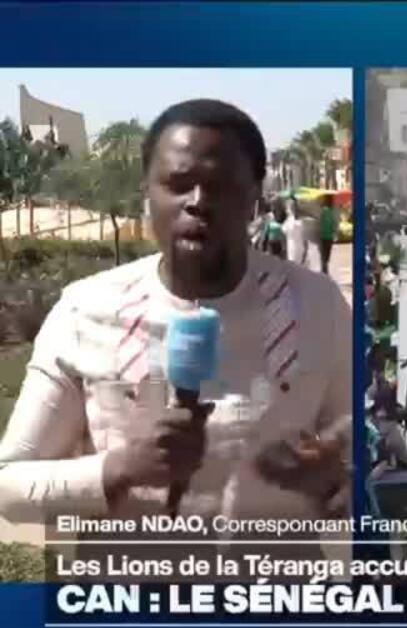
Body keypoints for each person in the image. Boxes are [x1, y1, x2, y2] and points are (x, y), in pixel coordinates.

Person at [0, 99, 351, 534]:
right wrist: (119, 468)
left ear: (254, 197)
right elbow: (8, 487)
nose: (198, 202)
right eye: (178, 184)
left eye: (220, 186)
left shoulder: (316, 304)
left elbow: (358, 461)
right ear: (147, 193)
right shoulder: (84, 310)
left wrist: (337, 482)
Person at [317, 193, 337, 276]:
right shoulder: (330, 212)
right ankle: (325, 268)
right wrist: (334, 232)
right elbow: (333, 224)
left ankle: (324, 268)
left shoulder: (323, 211)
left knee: (323, 253)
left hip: (323, 236)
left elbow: (320, 223)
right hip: (329, 236)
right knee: (327, 253)